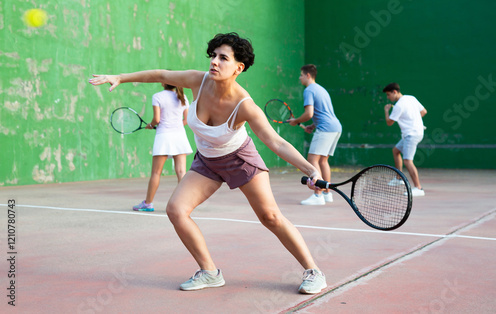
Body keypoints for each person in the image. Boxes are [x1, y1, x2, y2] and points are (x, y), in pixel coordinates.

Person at [89, 32, 327, 294]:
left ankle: (313, 271)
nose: (214, 61)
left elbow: (276, 142)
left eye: (223, 58)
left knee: (270, 217)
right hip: (207, 161)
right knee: (176, 210)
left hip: (240, 159)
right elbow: (161, 74)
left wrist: (311, 169)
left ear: (239, 67)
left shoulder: (245, 105)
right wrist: (120, 78)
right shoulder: (197, 81)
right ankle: (210, 272)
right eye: (213, 55)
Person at [132, 83, 193, 212]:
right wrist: (174, 127)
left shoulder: (157, 96)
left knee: (156, 172)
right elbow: (186, 120)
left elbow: (157, 119)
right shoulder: (183, 97)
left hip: (163, 137)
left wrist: (150, 125)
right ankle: (184, 204)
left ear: (163, 83)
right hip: (180, 136)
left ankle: (148, 204)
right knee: (182, 172)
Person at [288, 64, 342, 206]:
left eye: (301, 75)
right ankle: (327, 193)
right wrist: (312, 126)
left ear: (308, 75)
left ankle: (317, 195)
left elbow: (309, 113)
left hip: (325, 128)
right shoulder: (321, 89)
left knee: (312, 160)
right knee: (323, 161)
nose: (299, 78)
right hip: (335, 127)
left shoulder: (309, 90)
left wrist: (296, 121)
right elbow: (324, 112)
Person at [383, 82, 427, 197]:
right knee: (396, 150)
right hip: (416, 132)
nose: (388, 98)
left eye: (388, 95)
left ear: (395, 92)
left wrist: (386, 111)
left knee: (408, 160)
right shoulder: (411, 98)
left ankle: (418, 188)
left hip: (411, 135)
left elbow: (389, 122)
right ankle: (399, 178)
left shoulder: (398, 106)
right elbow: (423, 112)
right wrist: (413, 119)